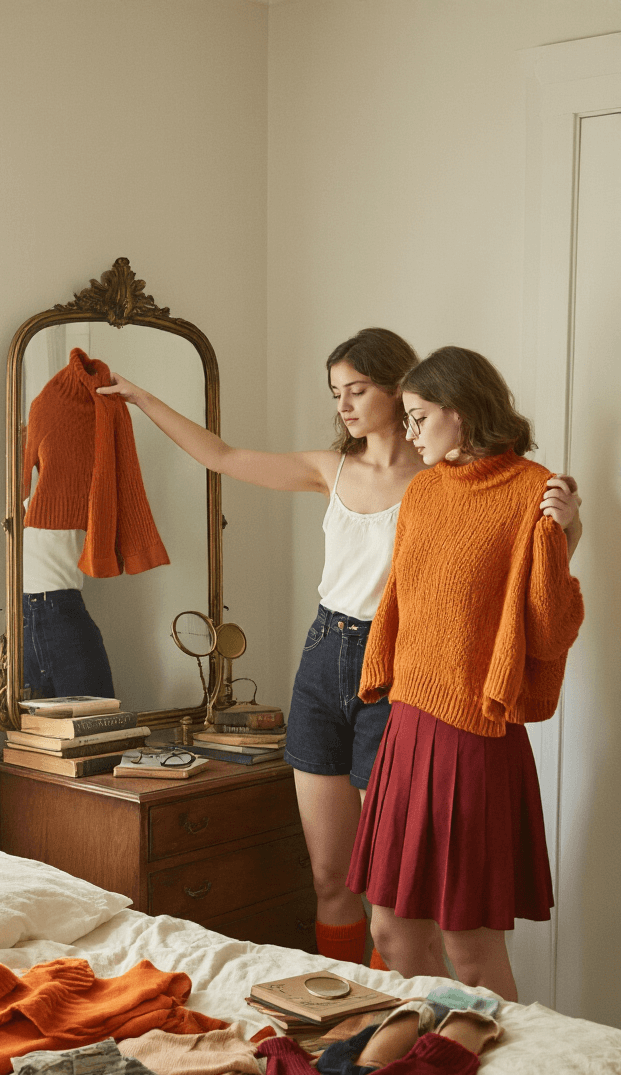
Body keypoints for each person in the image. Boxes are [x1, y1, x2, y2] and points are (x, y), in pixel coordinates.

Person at [98, 333, 581, 973]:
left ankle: (419, 1015)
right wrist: (140, 398)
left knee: (403, 893)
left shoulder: (446, 477)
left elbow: (523, 571)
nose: (346, 406)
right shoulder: (336, 469)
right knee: (333, 878)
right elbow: (222, 455)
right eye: (337, 394)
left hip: (407, 682)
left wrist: (567, 529)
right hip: (329, 658)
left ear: (400, 389)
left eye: (357, 390)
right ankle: (354, 1012)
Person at [347, 346, 585, 1000]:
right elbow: (399, 597)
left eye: (420, 417)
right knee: (394, 934)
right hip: (407, 725)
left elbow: (549, 627)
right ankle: (447, 1048)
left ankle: (503, 1074)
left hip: (474, 737)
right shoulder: (423, 491)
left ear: (462, 411)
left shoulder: (532, 491)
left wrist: (563, 537)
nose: (411, 433)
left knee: (470, 951)